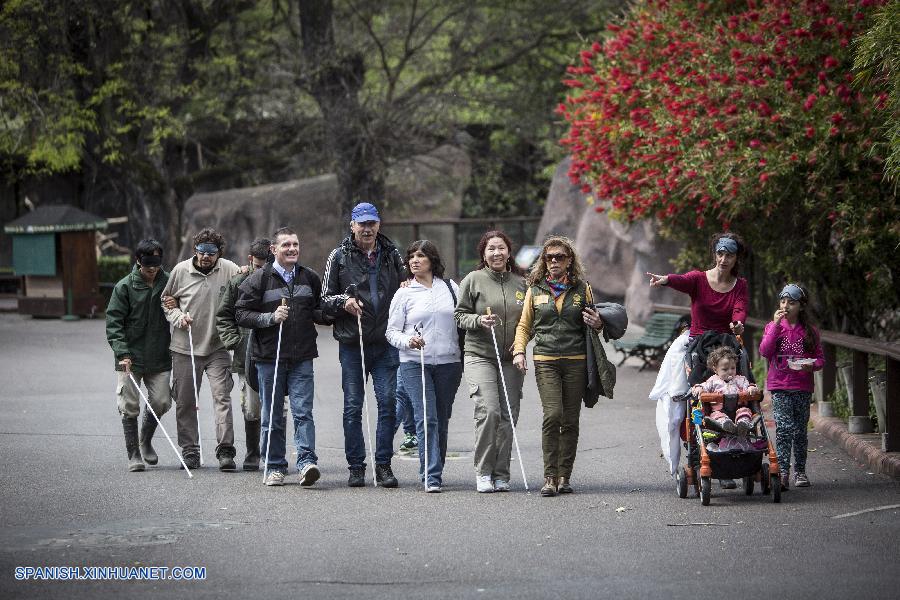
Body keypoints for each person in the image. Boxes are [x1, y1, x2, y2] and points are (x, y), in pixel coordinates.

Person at [647, 231, 749, 490]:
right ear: (715, 254)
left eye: (730, 254)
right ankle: (695, 457)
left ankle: (727, 463)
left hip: (726, 348)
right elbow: (679, 280)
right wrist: (664, 280)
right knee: (693, 403)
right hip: (697, 348)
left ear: (737, 258)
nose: (724, 259)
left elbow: (739, 309)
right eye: (720, 253)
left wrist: (738, 324)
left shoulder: (741, 285)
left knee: (730, 400)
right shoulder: (699, 279)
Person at [235, 227, 330, 487]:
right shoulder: (258, 279)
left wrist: (339, 311)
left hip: (302, 356)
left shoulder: (309, 277)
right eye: (286, 245)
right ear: (273, 250)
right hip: (269, 358)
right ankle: (275, 465)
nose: (292, 249)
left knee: (302, 412)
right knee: (273, 414)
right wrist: (269, 318)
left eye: (295, 244)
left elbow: (318, 311)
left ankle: (306, 462)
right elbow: (241, 314)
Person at [512, 236, 604, 497]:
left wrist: (598, 323)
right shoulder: (535, 289)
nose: (554, 261)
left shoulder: (582, 288)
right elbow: (524, 325)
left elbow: (595, 325)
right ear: (543, 261)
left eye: (559, 257)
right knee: (553, 415)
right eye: (549, 257)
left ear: (569, 260)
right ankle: (549, 476)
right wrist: (520, 351)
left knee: (570, 420)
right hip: (546, 360)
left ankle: (565, 476)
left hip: (576, 361)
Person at [322, 202, 406, 488]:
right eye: (362, 224)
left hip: (386, 342)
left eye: (372, 223)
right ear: (352, 226)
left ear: (379, 225)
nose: (367, 228)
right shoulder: (338, 257)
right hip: (352, 343)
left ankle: (383, 465)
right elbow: (324, 299)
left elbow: (407, 286)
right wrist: (343, 302)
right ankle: (356, 466)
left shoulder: (392, 254)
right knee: (353, 407)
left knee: (388, 404)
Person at [386, 240, 463, 492]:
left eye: (420, 256)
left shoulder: (451, 287)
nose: (414, 260)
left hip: (449, 362)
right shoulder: (404, 292)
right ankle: (431, 476)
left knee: (441, 418)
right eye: (411, 256)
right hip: (414, 363)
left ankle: (435, 468)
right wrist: (408, 341)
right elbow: (391, 332)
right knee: (425, 417)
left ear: (432, 259)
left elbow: (463, 317)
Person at [162, 228, 241, 470]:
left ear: (219, 253)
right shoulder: (180, 270)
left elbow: (244, 288)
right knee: (186, 401)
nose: (205, 256)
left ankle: (225, 450)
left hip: (217, 347)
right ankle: (190, 450)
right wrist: (177, 316)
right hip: (185, 347)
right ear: (194, 250)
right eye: (201, 251)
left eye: (211, 252)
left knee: (222, 397)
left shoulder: (229, 269)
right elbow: (167, 302)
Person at [455, 230, 527, 493]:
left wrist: (521, 349)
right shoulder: (473, 280)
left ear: (509, 252)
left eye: (501, 248)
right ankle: (483, 472)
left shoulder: (522, 283)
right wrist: (478, 321)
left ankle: (501, 474)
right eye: (491, 249)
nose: (496, 253)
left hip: (511, 358)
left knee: (509, 415)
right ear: (483, 254)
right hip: (480, 354)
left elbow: (529, 321)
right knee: (490, 411)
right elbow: (459, 315)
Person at [105, 240, 172, 472]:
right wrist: (122, 352)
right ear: (138, 261)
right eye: (147, 264)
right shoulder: (124, 287)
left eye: (156, 263)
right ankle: (133, 453)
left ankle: (146, 439)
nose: (152, 268)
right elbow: (114, 322)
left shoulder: (169, 281)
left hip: (159, 354)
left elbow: (185, 304)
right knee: (129, 404)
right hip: (129, 357)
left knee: (162, 401)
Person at [758, 283, 825, 490]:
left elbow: (820, 359)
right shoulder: (773, 327)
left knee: (799, 431)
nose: (786, 305)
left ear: (801, 306)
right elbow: (765, 351)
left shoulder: (810, 331)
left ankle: (800, 471)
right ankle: (784, 472)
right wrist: (776, 326)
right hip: (779, 386)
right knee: (784, 429)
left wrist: (810, 365)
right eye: (783, 301)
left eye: (792, 302)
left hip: (802, 387)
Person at [216, 238, 271, 471]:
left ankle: (270, 453)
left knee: (277, 406)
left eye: (266, 266)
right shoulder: (238, 281)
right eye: (259, 267)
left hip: (275, 353)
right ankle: (252, 452)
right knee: (251, 406)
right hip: (245, 354)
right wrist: (235, 342)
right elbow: (223, 315)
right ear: (250, 261)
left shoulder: (281, 280)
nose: (263, 271)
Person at [691, 346, 758, 436]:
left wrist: (751, 388)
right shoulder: (712, 381)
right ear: (715, 370)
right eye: (725, 369)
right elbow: (704, 387)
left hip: (738, 409)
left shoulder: (741, 379)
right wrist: (699, 388)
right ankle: (725, 424)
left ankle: (743, 424)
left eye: (733, 368)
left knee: (745, 411)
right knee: (716, 416)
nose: (730, 371)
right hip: (719, 411)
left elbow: (748, 386)